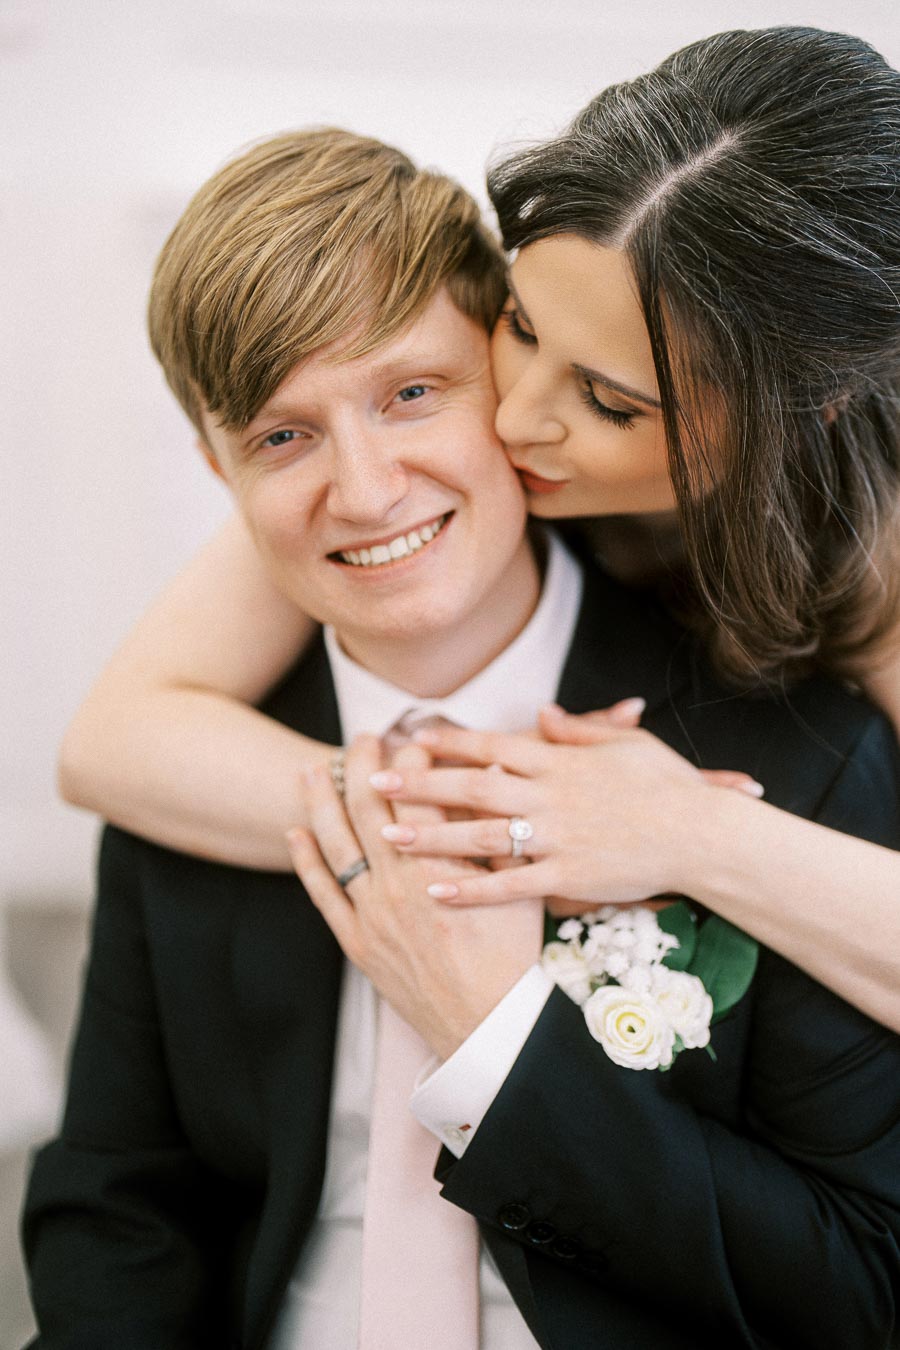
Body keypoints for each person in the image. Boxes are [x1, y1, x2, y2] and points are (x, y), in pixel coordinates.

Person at [23, 116, 900, 1350]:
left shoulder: (803, 744)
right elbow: (119, 1214)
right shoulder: (199, 769)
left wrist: (503, 1046)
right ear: (217, 467)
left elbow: (863, 1292)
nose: (370, 488)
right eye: (282, 435)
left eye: (414, 393)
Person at [57, 25, 900, 1035]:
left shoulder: (879, 555)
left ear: (801, 411)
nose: (514, 419)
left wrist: (693, 834)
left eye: (610, 402)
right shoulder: (390, 475)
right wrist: (483, 810)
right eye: (526, 327)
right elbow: (115, 745)